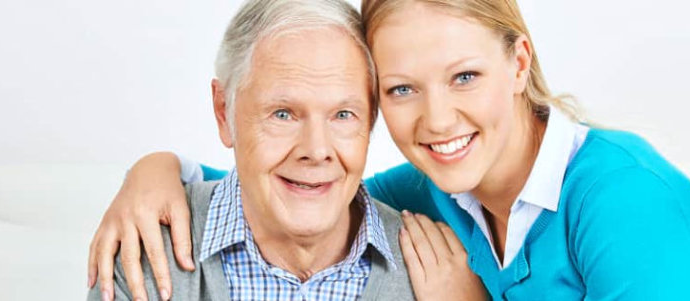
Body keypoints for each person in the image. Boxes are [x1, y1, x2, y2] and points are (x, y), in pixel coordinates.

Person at [90, 0, 690, 300]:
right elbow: (293, 186)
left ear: (519, 61)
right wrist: (154, 172)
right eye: (404, 87)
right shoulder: (435, 189)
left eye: (464, 76)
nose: (437, 118)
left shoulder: (621, 197)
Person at [87, 0, 479, 300]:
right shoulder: (147, 250)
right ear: (225, 112)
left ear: (372, 119)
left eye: (343, 114)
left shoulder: (440, 274)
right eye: (283, 114)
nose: (316, 150)